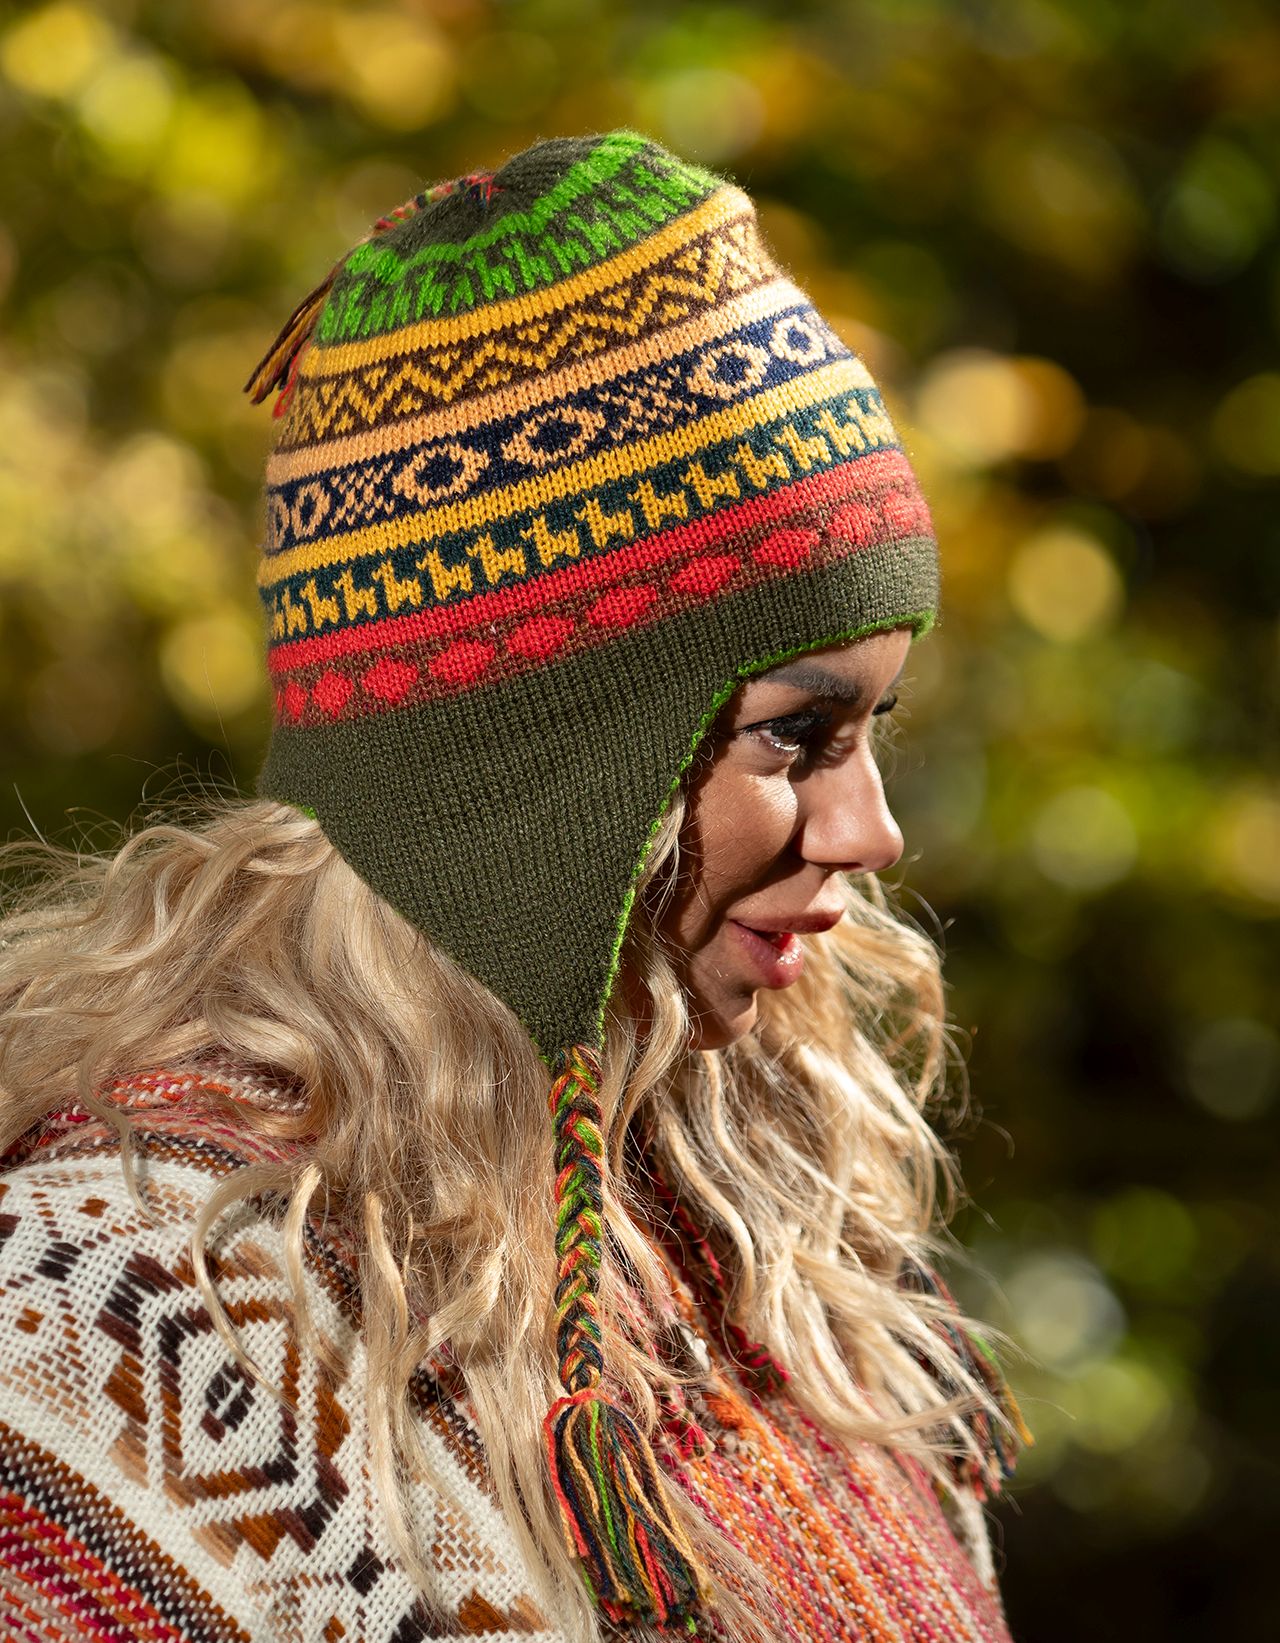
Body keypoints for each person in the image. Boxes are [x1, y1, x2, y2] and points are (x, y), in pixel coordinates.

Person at [0, 131, 1029, 1642]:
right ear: (547, 764)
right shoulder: (134, 1302)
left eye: (880, 727)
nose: (870, 830)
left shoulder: (766, 1261)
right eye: (795, 735)